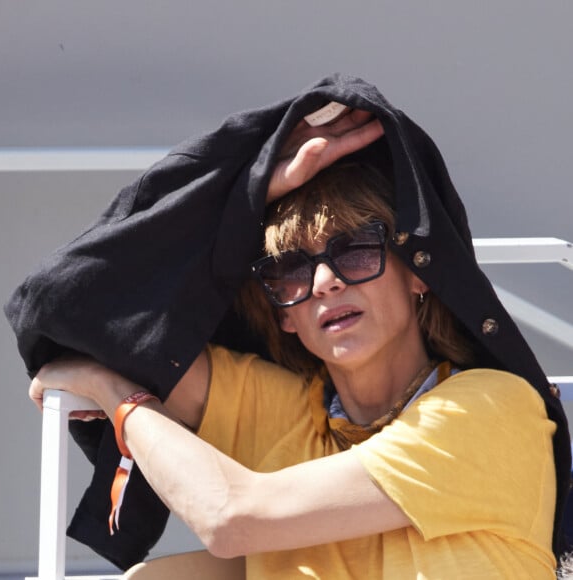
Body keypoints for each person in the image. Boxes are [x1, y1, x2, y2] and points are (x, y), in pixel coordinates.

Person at [28, 101, 566, 579]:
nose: (325, 281)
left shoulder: (492, 406)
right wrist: (245, 186)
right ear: (283, 313)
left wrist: (113, 393)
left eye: (356, 249)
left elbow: (231, 518)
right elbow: (71, 300)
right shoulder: (281, 414)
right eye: (290, 270)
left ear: (419, 273)